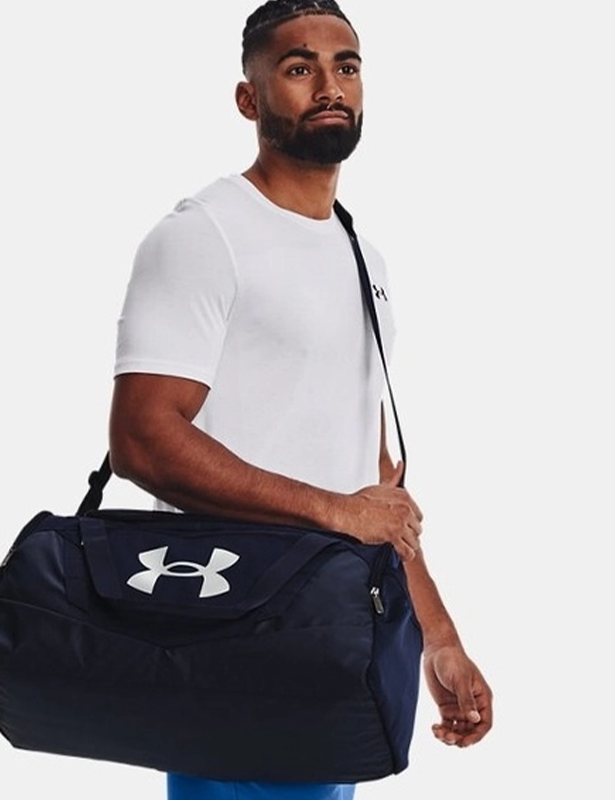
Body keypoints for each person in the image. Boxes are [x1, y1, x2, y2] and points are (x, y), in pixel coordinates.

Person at [108, 1, 494, 798]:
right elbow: (141, 439)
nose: (329, 85)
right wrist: (336, 512)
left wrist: (438, 637)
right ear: (248, 99)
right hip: (228, 631)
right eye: (298, 67)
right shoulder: (204, 234)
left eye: (346, 66)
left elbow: (372, 480)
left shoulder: (362, 254)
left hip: (333, 637)